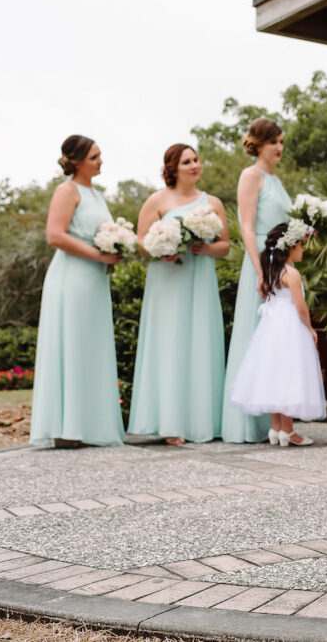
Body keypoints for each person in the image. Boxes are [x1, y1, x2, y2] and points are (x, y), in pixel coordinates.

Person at [127, 144, 229, 445]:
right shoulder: (157, 200)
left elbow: (225, 245)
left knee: (199, 342)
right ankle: (171, 424)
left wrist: (207, 248)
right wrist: (162, 250)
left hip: (199, 278)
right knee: (170, 343)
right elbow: (140, 240)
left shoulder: (212, 202)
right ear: (173, 168)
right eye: (187, 161)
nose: (195, 165)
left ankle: (203, 422)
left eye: (196, 159)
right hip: (168, 279)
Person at [30, 135, 126, 448]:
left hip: (95, 282)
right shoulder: (67, 191)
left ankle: (89, 426)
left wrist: (116, 247)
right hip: (71, 279)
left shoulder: (96, 195)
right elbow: (55, 235)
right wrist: (100, 255)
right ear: (77, 161)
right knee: (71, 345)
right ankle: (66, 430)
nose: (101, 161)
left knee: (90, 347)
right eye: (95, 156)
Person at [222, 118, 293, 443]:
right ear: (259, 145)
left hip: (281, 260)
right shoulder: (251, 176)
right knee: (258, 337)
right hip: (262, 262)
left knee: (277, 341)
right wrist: (260, 271)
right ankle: (249, 422)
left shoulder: (275, 179)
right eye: (273, 142)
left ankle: (278, 421)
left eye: (280, 141)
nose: (279, 147)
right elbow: (247, 227)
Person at [229, 221, 323, 445]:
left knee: (273, 373)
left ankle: (276, 428)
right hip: (290, 325)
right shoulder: (292, 274)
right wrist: (309, 328)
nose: (303, 249)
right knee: (288, 374)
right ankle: (288, 431)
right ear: (290, 246)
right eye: (301, 244)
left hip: (271, 326)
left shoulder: (271, 272)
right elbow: (300, 307)